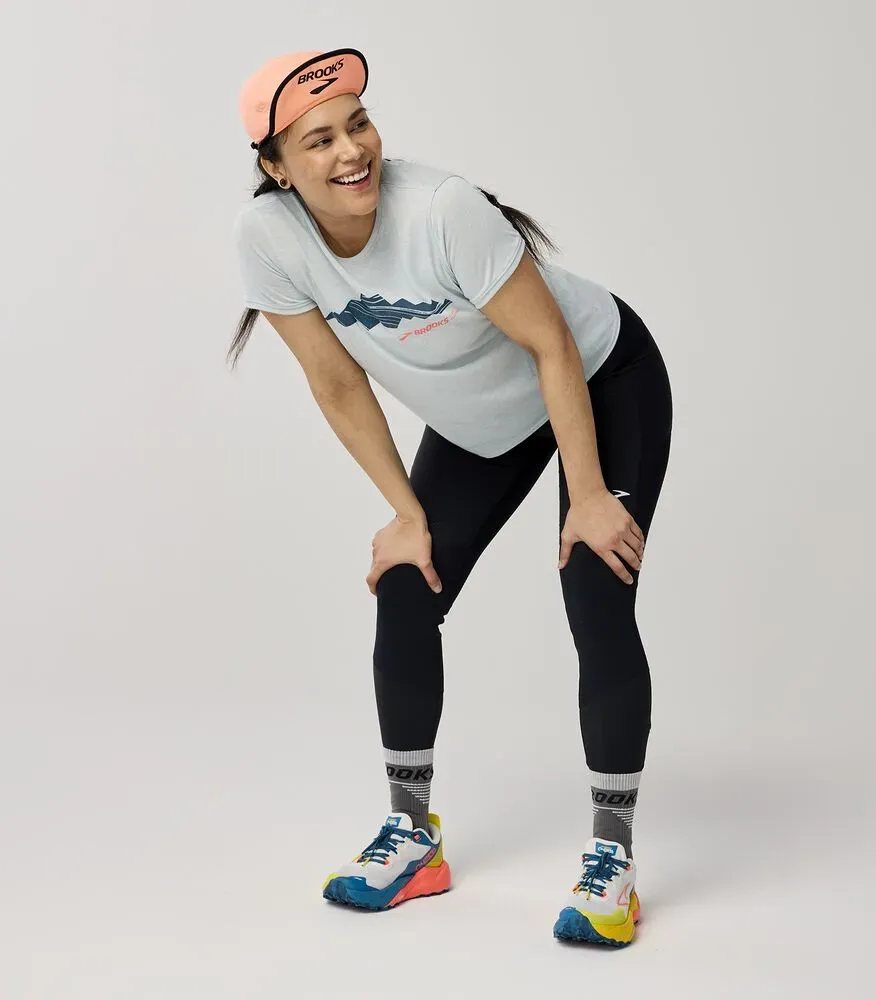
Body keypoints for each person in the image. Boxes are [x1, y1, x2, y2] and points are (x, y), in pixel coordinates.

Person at [231, 47, 673, 948]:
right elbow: (336, 383)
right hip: (484, 420)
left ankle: (613, 860)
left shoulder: (441, 210)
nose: (352, 150)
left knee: (595, 586)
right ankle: (413, 837)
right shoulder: (268, 240)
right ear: (276, 167)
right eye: (320, 140)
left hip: (599, 376)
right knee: (406, 586)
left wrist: (588, 495)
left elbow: (553, 346)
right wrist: (407, 513)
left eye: (359, 124)